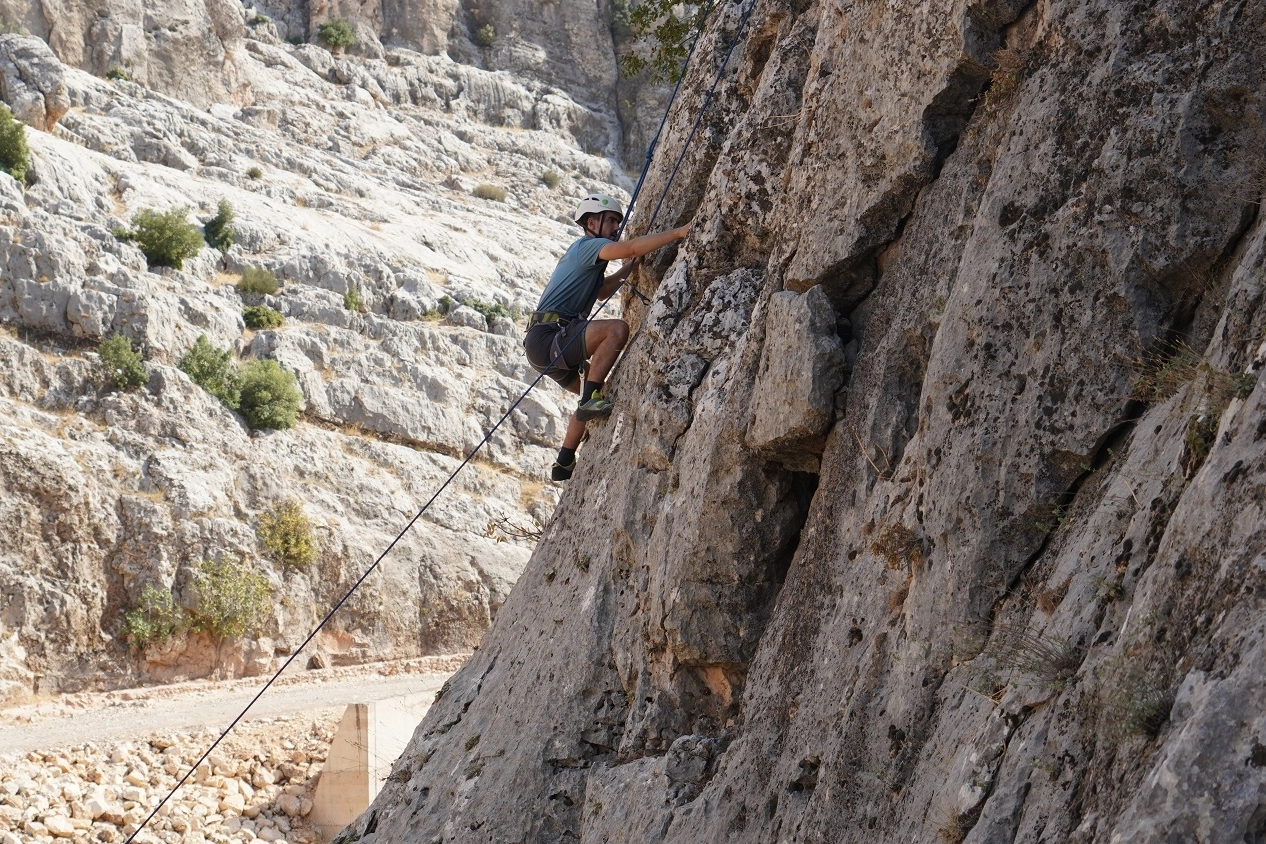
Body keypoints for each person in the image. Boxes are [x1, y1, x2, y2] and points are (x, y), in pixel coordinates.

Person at [525, 193, 690, 481]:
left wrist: (630, 269)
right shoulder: (590, 246)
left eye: (617, 221)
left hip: (545, 344)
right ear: (592, 222)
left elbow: (602, 290)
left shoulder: (588, 257)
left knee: (594, 390)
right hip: (550, 337)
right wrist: (678, 232)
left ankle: (564, 461)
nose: (616, 226)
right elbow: (627, 248)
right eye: (611, 220)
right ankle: (590, 399)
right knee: (617, 329)